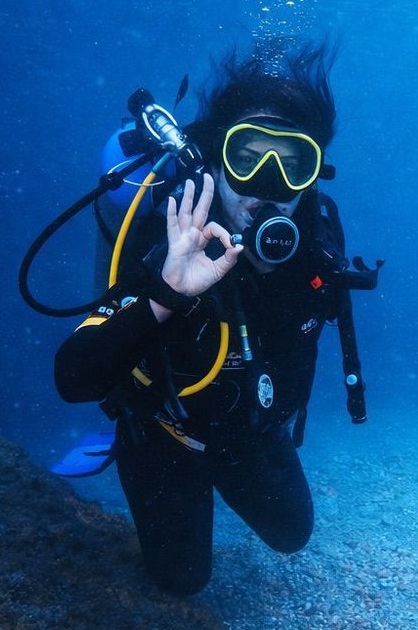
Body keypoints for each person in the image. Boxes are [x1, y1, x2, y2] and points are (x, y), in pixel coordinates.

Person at [54, 39, 367, 597]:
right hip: (165, 433)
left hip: (248, 431)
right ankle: (131, 446)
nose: (268, 186)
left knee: (293, 533)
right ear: (216, 159)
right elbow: (73, 378)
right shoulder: (170, 234)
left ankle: (215, 472)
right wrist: (166, 293)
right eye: (249, 157)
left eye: (292, 164)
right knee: (181, 580)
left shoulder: (318, 234)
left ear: (313, 175)